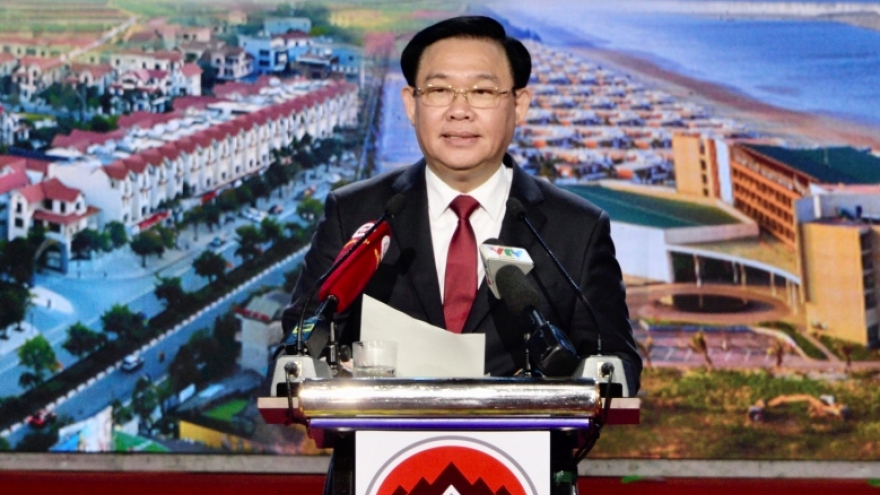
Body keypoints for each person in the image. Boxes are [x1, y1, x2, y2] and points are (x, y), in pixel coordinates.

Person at [283, 15, 641, 390]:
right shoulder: (355, 213)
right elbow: (295, 353)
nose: (459, 110)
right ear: (411, 105)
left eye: (482, 92)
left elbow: (615, 366)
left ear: (519, 105)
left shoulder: (577, 229)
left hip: (523, 431)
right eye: (439, 91)